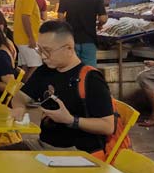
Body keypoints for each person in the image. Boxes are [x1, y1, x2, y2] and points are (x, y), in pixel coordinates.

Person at [8, 21, 115, 152]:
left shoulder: (91, 78)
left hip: (77, 154)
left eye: (47, 51)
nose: (42, 56)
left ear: (69, 48)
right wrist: (19, 107)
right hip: (44, 146)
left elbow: (108, 126)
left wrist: (71, 120)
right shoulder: (45, 71)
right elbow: (20, 96)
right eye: (39, 50)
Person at [57, 0, 107, 67]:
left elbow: (60, 16)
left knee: (72, 69)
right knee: (89, 71)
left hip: (71, 40)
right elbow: (103, 18)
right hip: (89, 40)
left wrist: (66, 26)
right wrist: (99, 24)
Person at [13, 0, 44, 77]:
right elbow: (25, 17)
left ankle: (20, 89)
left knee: (25, 67)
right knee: (37, 65)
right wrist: (31, 37)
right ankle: (26, 89)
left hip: (20, 38)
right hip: (26, 39)